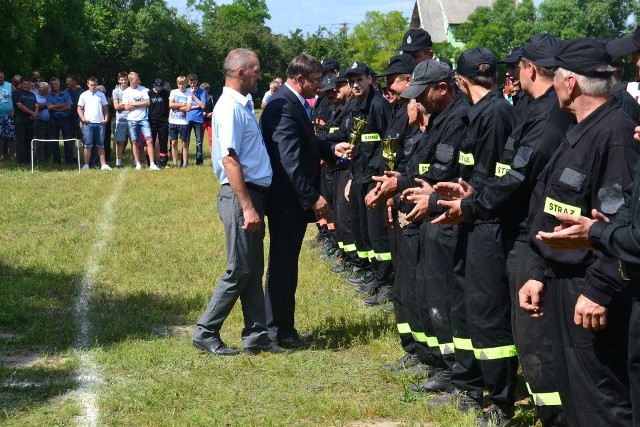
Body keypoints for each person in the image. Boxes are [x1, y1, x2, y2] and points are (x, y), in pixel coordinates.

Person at [432, 33, 570, 427]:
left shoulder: (543, 114)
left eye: (516, 66)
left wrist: (470, 204)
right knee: (510, 324)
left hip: (521, 232)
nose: (512, 73)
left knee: (525, 332)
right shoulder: (534, 109)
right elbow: (500, 173)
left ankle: (525, 408)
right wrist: (474, 193)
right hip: (506, 223)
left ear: (528, 68)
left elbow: (516, 178)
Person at [518, 38, 638, 427]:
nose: (551, 83)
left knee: (600, 400)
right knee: (572, 394)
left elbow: (616, 227)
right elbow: (547, 206)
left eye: (557, 77)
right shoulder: (579, 129)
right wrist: (537, 271)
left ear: (570, 83)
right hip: (561, 282)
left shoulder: (616, 135)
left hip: (591, 291)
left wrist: (599, 290)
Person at [193, 48, 284, 356]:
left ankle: (257, 337)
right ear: (242, 72)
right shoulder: (229, 108)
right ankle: (206, 331)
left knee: (252, 268)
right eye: (257, 70)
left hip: (251, 194)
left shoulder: (241, 105)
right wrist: (247, 206)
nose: (261, 75)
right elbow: (229, 159)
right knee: (240, 268)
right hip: (240, 196)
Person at [261, 54, 350, 349]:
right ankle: (279, 332)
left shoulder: (293, 102)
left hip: (291, 201)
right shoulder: (282, 105)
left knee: (286, 265)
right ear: (299, 79)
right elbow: (288, 161)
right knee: (283, 267)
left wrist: (330, 147)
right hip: (287, 203)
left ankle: (282, 327)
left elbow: (306, 142)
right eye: (314, 81)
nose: (319, 86)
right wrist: (312, 197)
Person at [123, 71, 158, 170]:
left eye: (138, 79)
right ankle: (137, 163)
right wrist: (138, 104)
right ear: (131, 80)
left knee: (149, 140)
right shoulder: (126, 92)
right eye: (136, 79)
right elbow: (126, 106)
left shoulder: (144, 89)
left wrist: (134, 104)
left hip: (143, 119)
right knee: (134, 141)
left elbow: (148, 102)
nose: (138, 80)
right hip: (132, 119)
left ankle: (152, 163)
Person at [77, 77, 111, 170]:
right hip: (88, 123)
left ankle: (103, 164)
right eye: (91, 85)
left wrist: (106, 119)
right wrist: (83, 119)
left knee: (101, 145)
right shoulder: (83, 95)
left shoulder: (101, 95)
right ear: (88, 84)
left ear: (97, 84)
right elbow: (79, 108)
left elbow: (105, 108)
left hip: (100, 123)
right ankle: (86, 165)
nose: (93, 86)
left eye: (95, 85)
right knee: (88, 145)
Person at [47, 77, 72, 166]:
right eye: (52, 84)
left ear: (59, 84)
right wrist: (62, 105)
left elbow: (69, 107)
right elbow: (49, 107)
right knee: (54, 141)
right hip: (53, 119)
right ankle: (57, 161)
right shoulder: (49, 95)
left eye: (56, 83)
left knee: (68, 141)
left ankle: (69, 161)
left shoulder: (66, 94)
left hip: (65, 119)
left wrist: (55, 107)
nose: (54, 86)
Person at [13, 76, 38, 164]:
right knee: (20, 140)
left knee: (29, 140)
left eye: (28, 84)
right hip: (20, 120)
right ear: (20, 84)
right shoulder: (17, 92)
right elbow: (19, 105)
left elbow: (36, 105)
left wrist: (35, 114)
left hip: (31, 121)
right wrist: (32, 113)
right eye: (24, 84)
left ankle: (28, 159)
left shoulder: (32, 94)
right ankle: (20, 160)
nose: (26, 86)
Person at [168, 75, 191, 168]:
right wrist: (182, 104)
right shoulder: (173, 92)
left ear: (186, 84)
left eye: (182, 84)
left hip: (184, 122)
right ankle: (175, 163)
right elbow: (170, 105)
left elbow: (188, 108)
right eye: (179, 84)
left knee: (184, 143)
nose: (181, 86)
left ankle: (185, 163)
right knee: (173, 143)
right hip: (173, 121)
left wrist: (176, 105)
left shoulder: (189, 94)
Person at [148, 78, 170, 168]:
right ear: (154, 85)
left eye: (160, 87)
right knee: (150, 142)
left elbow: (169, 106)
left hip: (163, 121)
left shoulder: (166, 93)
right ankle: (151, 162)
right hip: (152, 121)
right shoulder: (149, 94)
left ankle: (163, 163)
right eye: (157, 87)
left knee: (163, 142)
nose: (159, 88)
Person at [186, 73, 207, 165]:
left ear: (197, 82)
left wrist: (194, 96)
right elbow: (184, 105)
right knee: (186, 140)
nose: (192, 85)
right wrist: (195, 106)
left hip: (198, 119)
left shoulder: (202, 92)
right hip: (187, 118)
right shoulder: (186, 91)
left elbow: (203, 105)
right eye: (190, 83)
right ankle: (185, 160)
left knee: (199, 141)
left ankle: (199, 161)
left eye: (194, 82)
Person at [112, 71, 130, 168]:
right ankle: (118, 162)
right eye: (121, 80)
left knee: (134, 141)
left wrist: (122, 104)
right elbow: (116, 106)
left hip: (132, 118)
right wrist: (127, 104)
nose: (123, 81)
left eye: (125, 79)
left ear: (128, 80)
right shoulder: (116, 91)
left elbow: (133, 105)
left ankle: (136, 161)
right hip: (121, 119)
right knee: (119, 141)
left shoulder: (131, 90)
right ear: (119, 80)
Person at [65, 74, 84, 165]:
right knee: (71, 139)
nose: (67, 83)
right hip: (69, 119)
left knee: (84, 138)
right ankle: (73, 157)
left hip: (80, 118)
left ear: (74, 82)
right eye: (67, 81)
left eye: (69, 81)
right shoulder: (65, 92)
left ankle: (86, 157)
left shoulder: (82, 92)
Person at [0, 71, 15, 161]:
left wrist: (14, 111)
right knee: (0, 136)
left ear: (3, 76)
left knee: (11, 136)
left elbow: (17, 98)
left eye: (1, 77)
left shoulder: (10, 86)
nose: (0, 79)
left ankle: (12, 155)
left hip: (10, 115)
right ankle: (1, 155)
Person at [200, 82, 215, 151]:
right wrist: (202, 112)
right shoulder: (199, 99)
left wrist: (212, 113)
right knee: (200, 138)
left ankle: (212, 156)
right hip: (201, 120)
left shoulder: (212, 98)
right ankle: (199, 155)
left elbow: (216, 108)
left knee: (211, 139)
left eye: (205, 90)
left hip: (210, 121)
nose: (204, 92)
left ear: (208, 90)